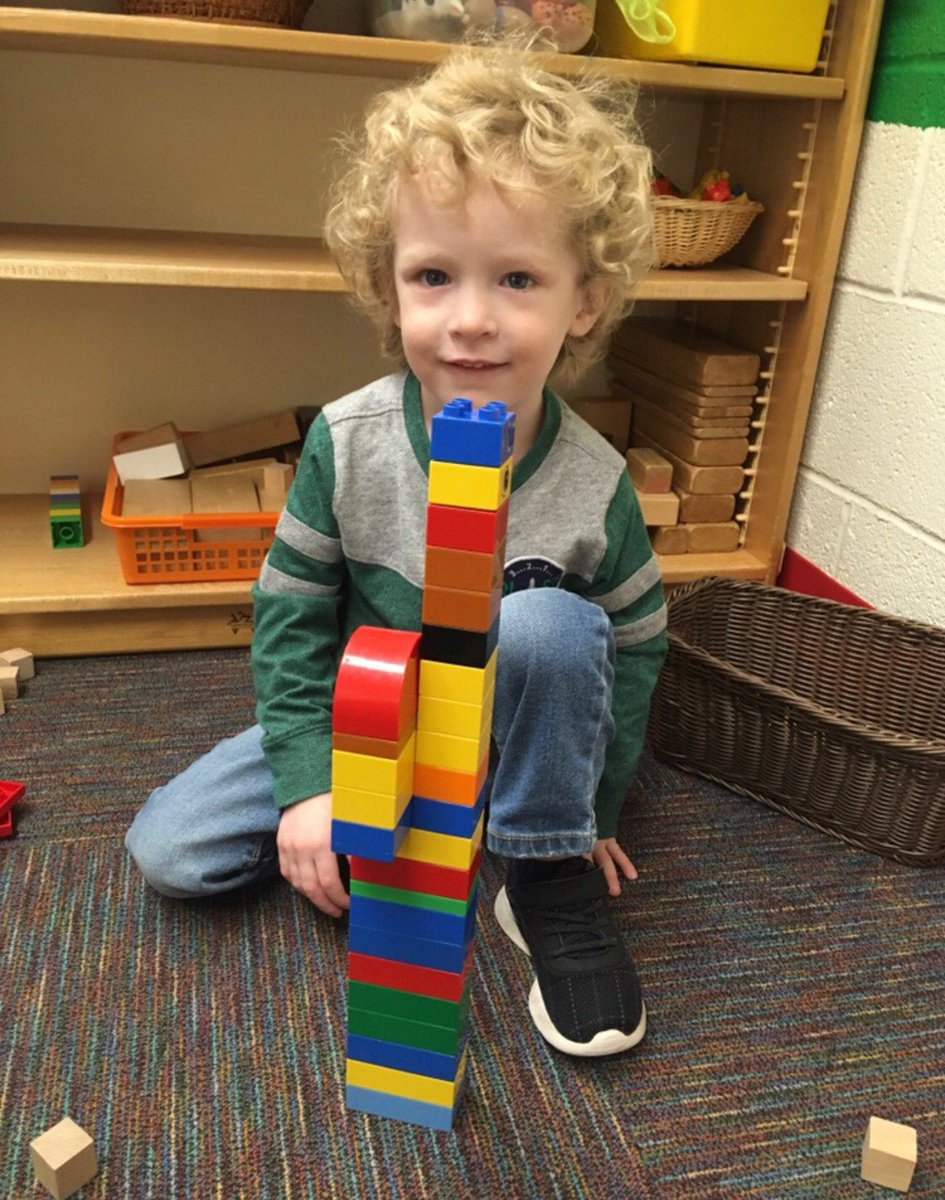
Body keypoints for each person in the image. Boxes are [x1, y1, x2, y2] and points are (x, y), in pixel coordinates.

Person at [125, 37, 667, 1059]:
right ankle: (414, 824)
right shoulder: (348, 442)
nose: (471, 320)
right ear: (391, 288)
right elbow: (290, 620)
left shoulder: (594, 481)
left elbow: (632, 650)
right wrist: (309, 788)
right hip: (369, 721)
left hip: (507, 733)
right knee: (171, 851)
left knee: (550, 625)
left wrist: (591, 812)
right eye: (433, 276)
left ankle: (537, 869)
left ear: (584, 300)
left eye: (517, 278)